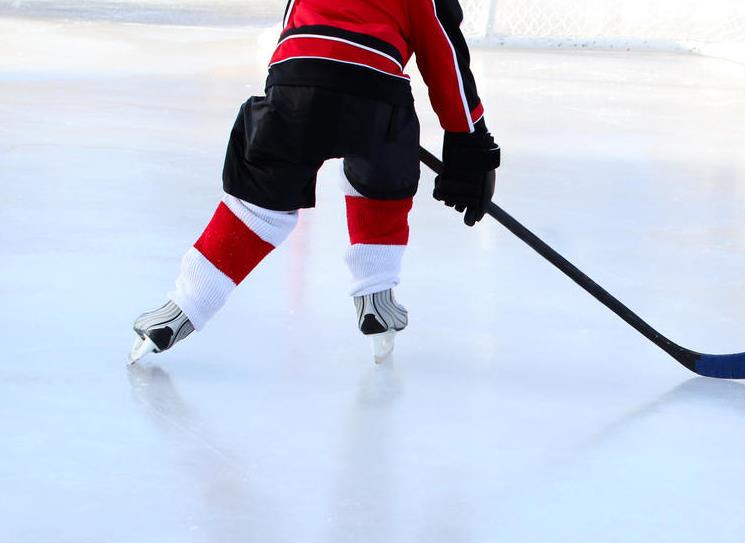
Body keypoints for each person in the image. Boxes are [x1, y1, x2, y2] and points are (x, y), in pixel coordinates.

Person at [130, 0, 500, 365]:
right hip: (377, 86)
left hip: (298, 77)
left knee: (257, 206)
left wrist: (290, 95)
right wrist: (469, 140)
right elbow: (442, 49)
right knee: (380, 180)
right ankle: (376, 297)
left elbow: (293, 23)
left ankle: (181, 310)